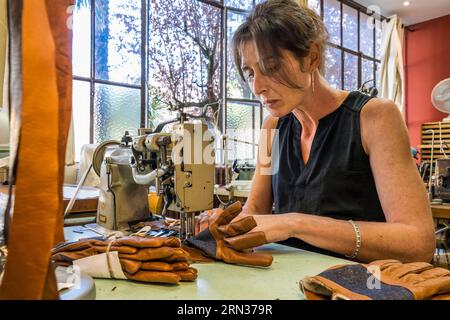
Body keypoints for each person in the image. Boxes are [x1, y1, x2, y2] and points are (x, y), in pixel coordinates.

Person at [223, 0, 435, 263]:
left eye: (271, 67)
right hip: (285, 281)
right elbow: (254, 209)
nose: (257, 87)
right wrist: (223, 225)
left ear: (312, 57)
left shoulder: (375, 117)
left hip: (357, 285)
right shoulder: (273, 128)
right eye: (250, 72)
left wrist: (294, 223)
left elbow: (419, 242)